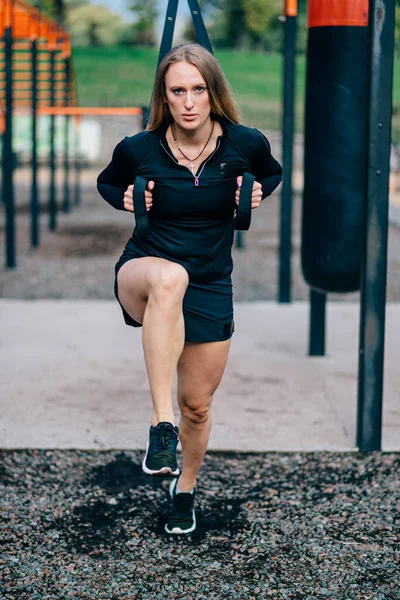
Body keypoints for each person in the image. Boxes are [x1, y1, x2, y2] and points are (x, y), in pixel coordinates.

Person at [97, 43, 282, 535]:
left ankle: (185, 489)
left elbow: (271, 173)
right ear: (165, 95)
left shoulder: (245, 144)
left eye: (197, 89)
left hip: (210, 282)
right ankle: (161, 428)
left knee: (197, 407)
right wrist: (128, 198)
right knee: (169, 276)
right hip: (146, 271)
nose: (188, 101)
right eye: (177, 90)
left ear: (212, 91)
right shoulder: (139, 148)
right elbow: (108, 184)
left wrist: (256, 194)